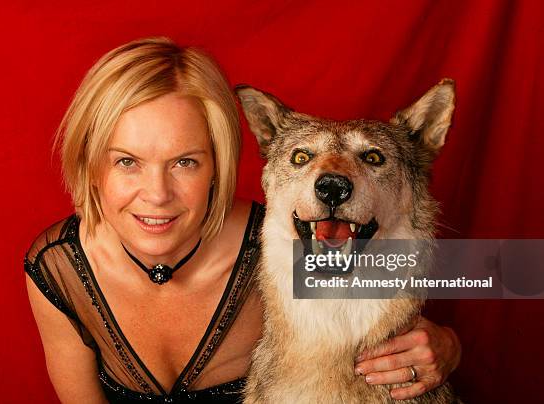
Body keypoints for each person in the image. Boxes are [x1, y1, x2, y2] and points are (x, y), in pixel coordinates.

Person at [24, 38, 461, 403]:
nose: (156, 194)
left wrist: (448, 346)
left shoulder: (287, 245)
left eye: (185, 162)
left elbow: (487, 273)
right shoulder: (60, 268)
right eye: (127, 161)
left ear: (219, 164)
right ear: (90, 163)